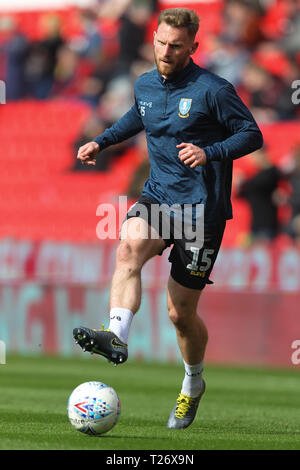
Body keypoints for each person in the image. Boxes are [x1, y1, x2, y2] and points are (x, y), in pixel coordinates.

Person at [73, 8, 263, 429]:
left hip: (202, 212)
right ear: (154, 37)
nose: (166, 51)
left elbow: (252, 133)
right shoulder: (144, 84)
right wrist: (101, 142)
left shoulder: (214, 89)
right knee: (128, 246)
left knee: (179, 313)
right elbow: (138, 117)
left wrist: (209, 152)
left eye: (176, 45)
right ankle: (116, 336)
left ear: (193, 47)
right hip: (159, 197)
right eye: (161, 42)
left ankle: (193, 383)